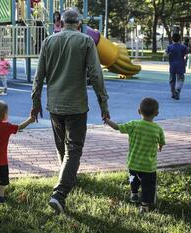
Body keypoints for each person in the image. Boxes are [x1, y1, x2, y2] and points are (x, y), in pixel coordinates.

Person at [30, 8, 110, 214]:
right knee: (73, 148)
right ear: (79, 24)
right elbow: (96, 75)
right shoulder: (85, 42)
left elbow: (39, 75)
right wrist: (104, 104)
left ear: (61, 23)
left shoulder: (49, 41)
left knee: (61, 146)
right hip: (76, 106)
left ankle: (68, 178)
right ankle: (60, 193)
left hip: (54, 105)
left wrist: (35, 101)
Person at [104, 97, 165, 213]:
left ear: (139, 111)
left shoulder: (133, 124)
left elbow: (117, 127)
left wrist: (107, 120)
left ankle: (134, 194)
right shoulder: (158, 129)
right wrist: (159, 147)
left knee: (133, 179)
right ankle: (144, 206)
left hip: (133, 163)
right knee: (148, 186)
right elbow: (161, 143)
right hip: (148, 167)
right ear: (157, 113)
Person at [165, 33, 188, 100]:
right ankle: (178, 89)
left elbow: (165, 55)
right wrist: (185, 62)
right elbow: (186, 56)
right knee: (180, 79)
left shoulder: (170, 47)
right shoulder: (183, 47)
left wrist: (169, 56)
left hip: (172, 65)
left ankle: (172, 93)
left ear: (172, 39)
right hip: (181, 64)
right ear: (180, 39)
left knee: (172, 80)